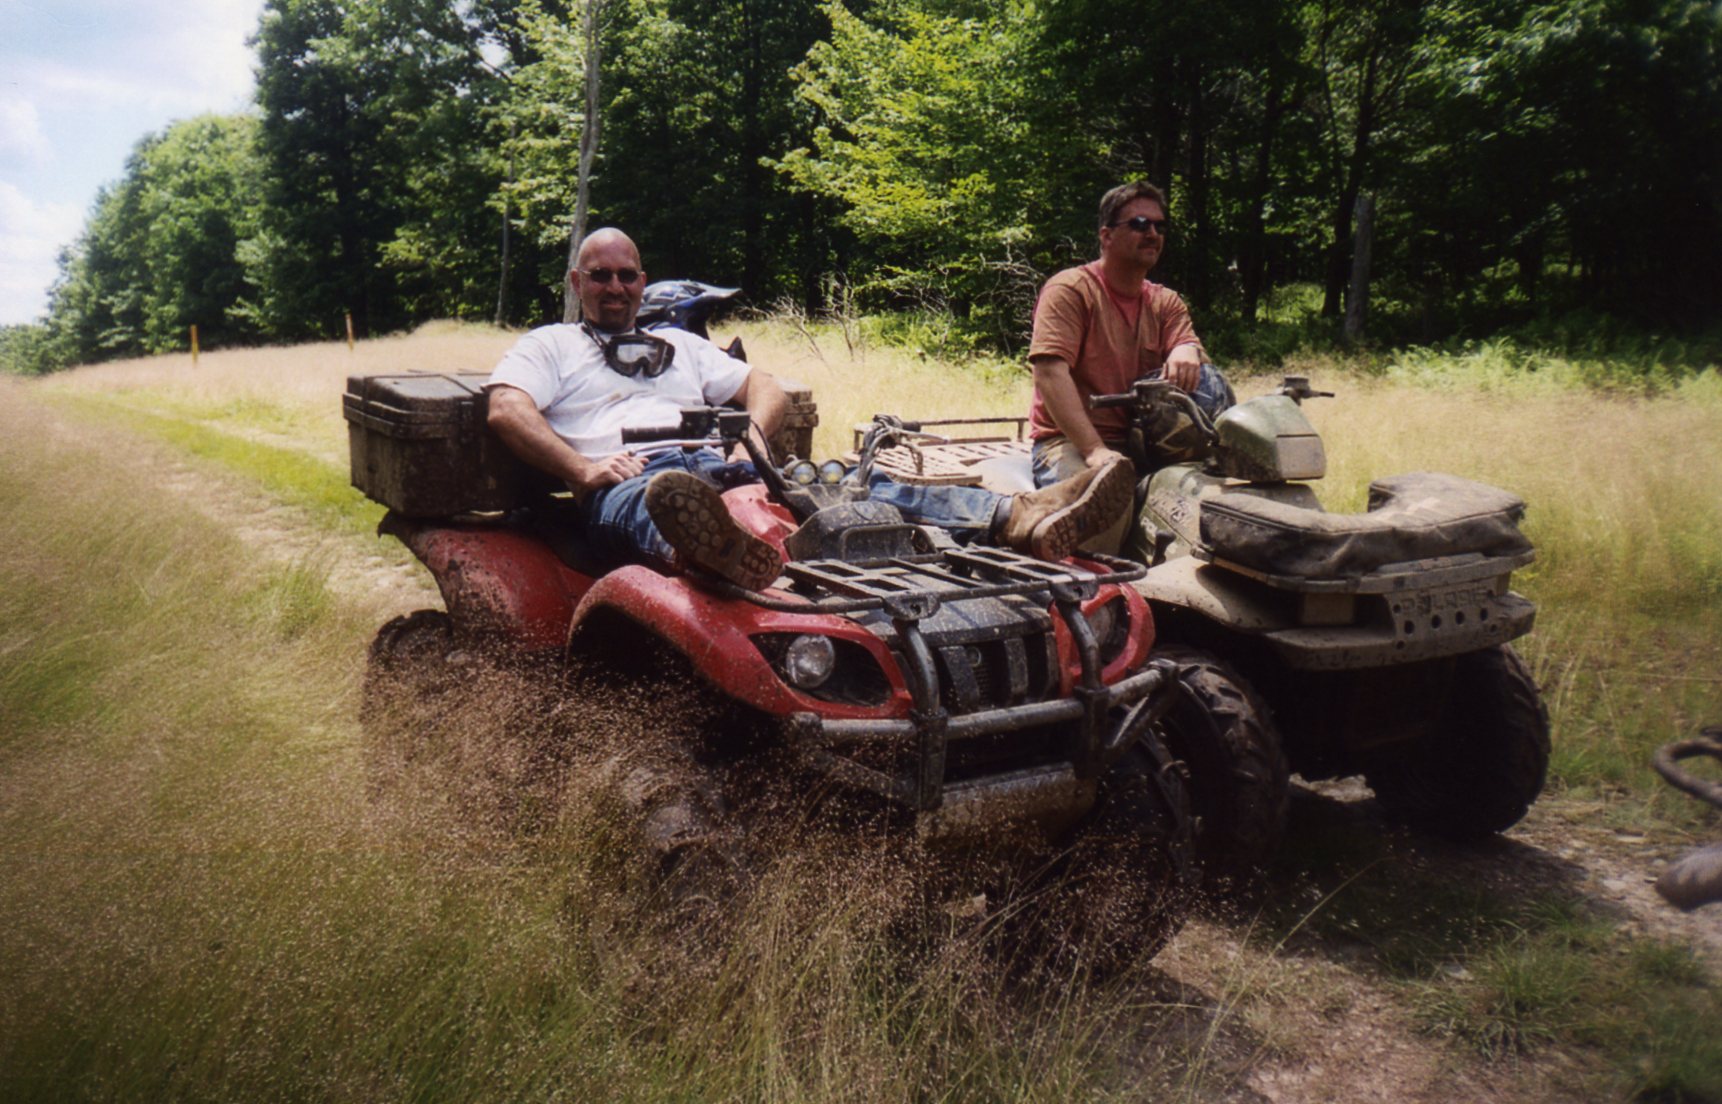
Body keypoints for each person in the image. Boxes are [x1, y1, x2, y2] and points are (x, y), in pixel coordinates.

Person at [486, 227, 1133, 591]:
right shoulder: (550, 345)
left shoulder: (680, 347)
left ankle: (1017, 517)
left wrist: (746, 442)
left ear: (642, 281)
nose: (615, 287)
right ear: (576, 283)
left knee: (853, 482)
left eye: (627, 275)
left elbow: (763, 386)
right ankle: (712, 553)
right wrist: (581, 469)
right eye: (600, 276)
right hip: (629, 479)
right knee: (656, 499)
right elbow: (507, 409)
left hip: (720, 469)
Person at [1026, 180, 1232, 490]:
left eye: (1160, 226)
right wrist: (1094, 450)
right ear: (1106, 235)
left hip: (1147, 443)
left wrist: (1186, 348)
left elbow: (1197, 361)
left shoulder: (1166, 302)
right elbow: (1049, 374)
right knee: (1106, 499)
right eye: (1139, 224)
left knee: (1214, 499)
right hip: (1069, 442)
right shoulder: (1070, 290)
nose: (1153, 233)